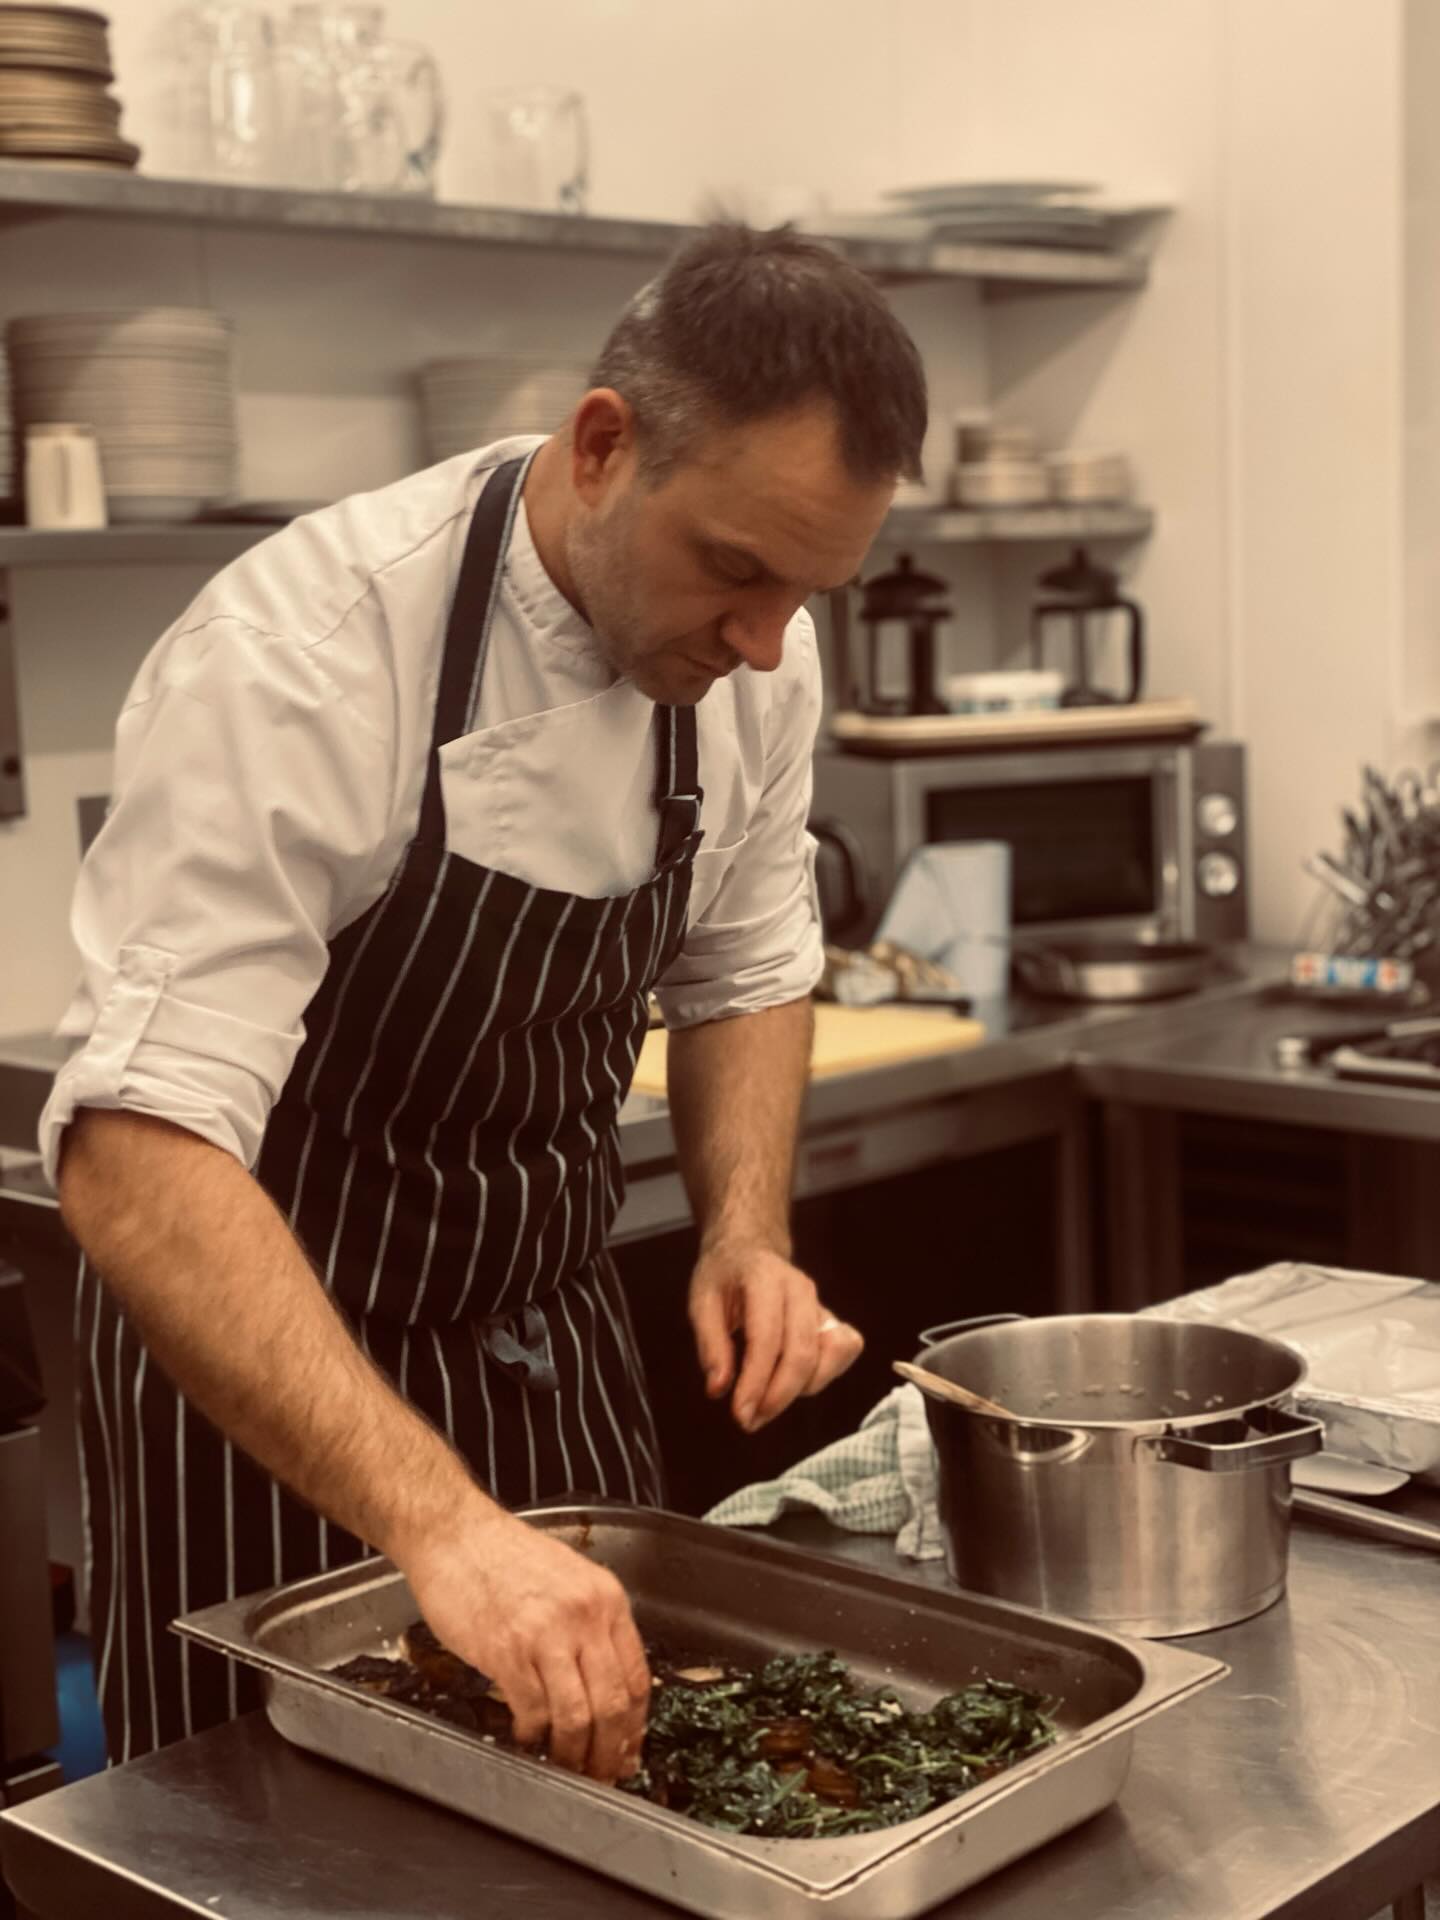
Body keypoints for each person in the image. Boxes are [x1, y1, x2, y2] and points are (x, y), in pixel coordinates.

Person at [44, 223, 929, 1780]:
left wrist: (746, 1231)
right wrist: (443, 1527)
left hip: (547, 1346)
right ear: (602, 446)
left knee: (608, 1819)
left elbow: (747, 962)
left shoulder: (754, 662)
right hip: (269, 1394)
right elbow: (136, 1150)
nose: (766, 642)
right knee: (279, 1849)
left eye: (810, 592)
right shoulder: (303, 658)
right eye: (736, 570)